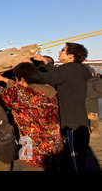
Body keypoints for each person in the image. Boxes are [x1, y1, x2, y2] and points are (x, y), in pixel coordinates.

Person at [31, 42, 92, 171]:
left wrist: (28, 67)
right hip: (79, 120)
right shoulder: (78, 69)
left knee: (74, 163)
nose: (59, 52)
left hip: (72, 125)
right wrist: (44, 61)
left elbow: (44, 78)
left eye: (63, 50)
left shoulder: (69, 69)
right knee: (75, 160)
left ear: (71, 56)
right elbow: (58, 74)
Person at [0, 62, 63, 171]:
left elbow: (2, 93)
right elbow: (21, 88)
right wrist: (4, 79)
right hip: (53, 147)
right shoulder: (47, 89)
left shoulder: (25, 95)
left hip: (35, 153)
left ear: (22, 79)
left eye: (16, 79)